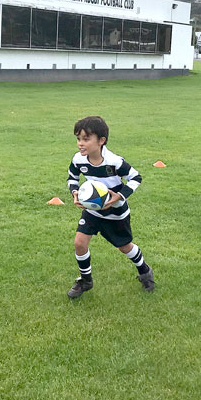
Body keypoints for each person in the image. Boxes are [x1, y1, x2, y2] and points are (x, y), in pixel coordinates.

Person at [66, 116, 154, 298]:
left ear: (101, 141)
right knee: (79, 243)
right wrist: (75, 193)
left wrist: (119, 196)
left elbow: (136, 178)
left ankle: (144, 270)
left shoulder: (114, 162)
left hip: (116, 213)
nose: (80, 144)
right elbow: (72, 178)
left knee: (124, 247)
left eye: (85, 139)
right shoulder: (78, 160)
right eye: (78, 139)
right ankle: (86, 280)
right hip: (92, 210)